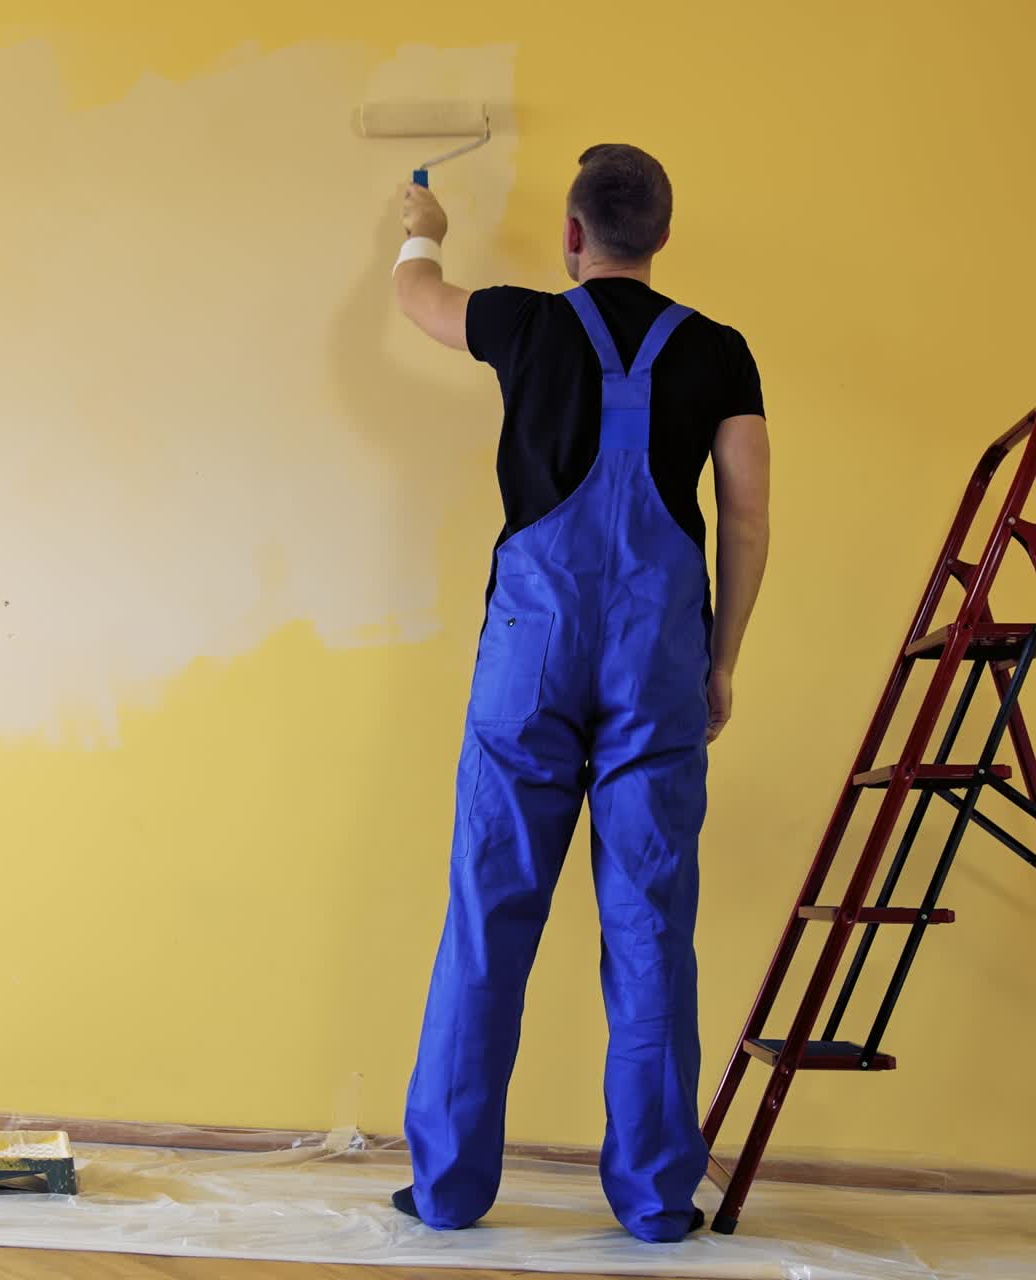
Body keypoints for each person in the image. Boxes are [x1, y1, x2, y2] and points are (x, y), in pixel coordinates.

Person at [388, 143, 770, 1244]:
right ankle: (654, 1199)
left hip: (532, 650)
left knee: (488, 908)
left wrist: (421, 223)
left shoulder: (523, 322)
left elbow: (417, 298)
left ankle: (451, 1185)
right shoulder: (719, 352)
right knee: (650, 921)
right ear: (658, 234)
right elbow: (743, 515)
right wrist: (720, 658)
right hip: (656, 653)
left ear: (568, 234)